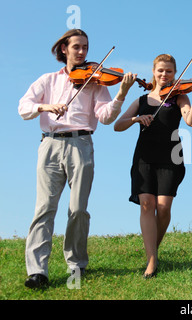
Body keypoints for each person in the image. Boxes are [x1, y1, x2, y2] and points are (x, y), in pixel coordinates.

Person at [18, 29, 136, 289]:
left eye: (85, 47)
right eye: (77, 47)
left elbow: (105, 117)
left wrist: (121, 93)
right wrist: (46, 107)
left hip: (81, 144)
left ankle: (76, 264)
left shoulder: (95, 82)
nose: (82, 52)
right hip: (49, 143)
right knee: (44, 208)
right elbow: (23, 107)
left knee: (78, 209)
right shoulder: (47, 80)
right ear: (64, 49)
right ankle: (37, 271)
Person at [114, 54, 192, 278]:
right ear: (154, 72)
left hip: (171, 156)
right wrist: (136, 119)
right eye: (161, 71)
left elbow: (191, 120)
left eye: (169, 71)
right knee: (147, 204)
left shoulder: (179, 97)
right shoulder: (142, 100)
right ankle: (152, 260)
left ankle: (152, 250)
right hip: (144, 157)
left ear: (175, 74)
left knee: (163, 207)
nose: (165, 75)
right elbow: (118, 125)